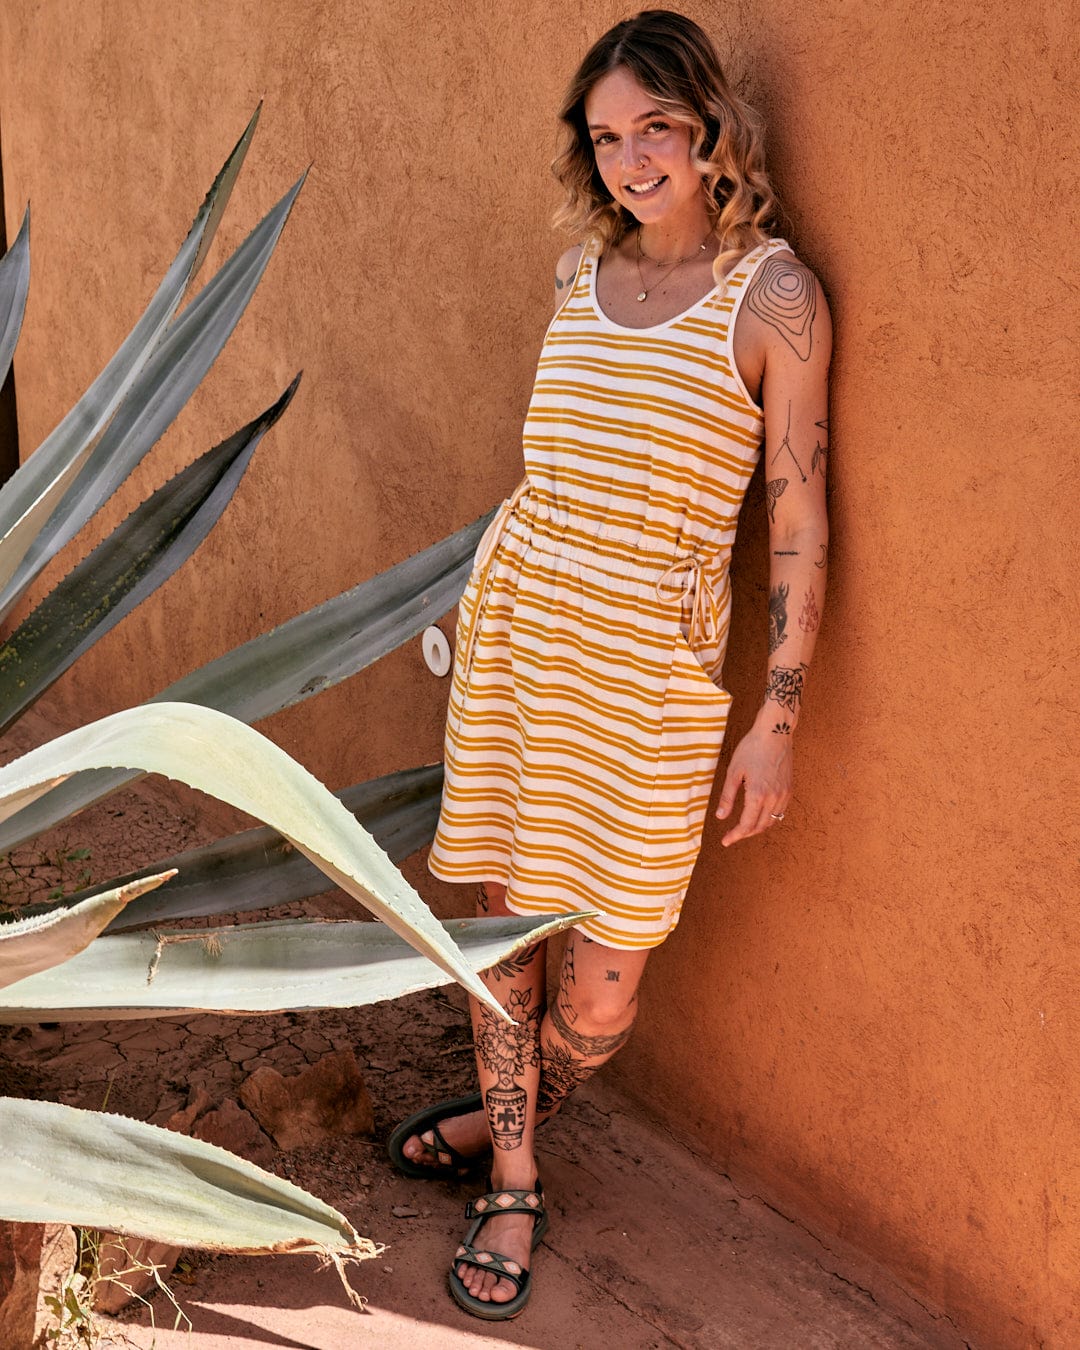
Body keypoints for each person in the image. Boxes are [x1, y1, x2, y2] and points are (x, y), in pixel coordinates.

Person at [388, 8, 830, 1321]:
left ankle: (495, 1113)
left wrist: (781, 712)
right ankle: (514, 1176)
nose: (634, 160)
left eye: (657, 130)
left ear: (709, 132)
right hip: (529, 632)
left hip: (654, 671)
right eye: (608, 137)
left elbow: (800, 516)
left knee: (606, 973)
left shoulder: (779, 297)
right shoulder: (582, 274)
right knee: (499, 922)